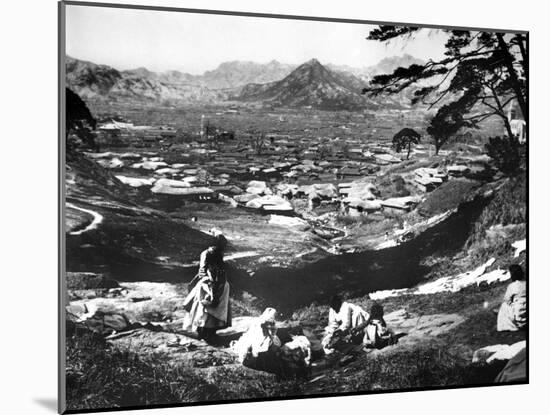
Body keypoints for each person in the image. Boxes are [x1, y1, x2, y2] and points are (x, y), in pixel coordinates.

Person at [183, 232, 231, 342]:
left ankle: (212, 332)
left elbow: (220, 268)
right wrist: (209, 283)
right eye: (220, 245)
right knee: (204, 309)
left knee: (217, 308)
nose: (221, 248)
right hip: (207, 284)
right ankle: (202, 333)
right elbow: (202, 270)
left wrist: (220, 281)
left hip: (220, 284)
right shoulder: (206, 253)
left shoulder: (219, 254)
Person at [232, 308, 283, 374]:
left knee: (272, 348)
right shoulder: (258, 324)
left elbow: (272, 334)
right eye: (268, 322)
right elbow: (253, 337)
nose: (269, 325)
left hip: (265, 341)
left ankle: (259, 362)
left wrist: (271, 336)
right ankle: (248, 362)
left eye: (271, 323)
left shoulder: (273, 327)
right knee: (251, 351)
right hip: (254, 340)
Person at [497, 264, 527, 332]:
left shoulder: (512, 286)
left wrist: (512, 304)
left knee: (504, 305)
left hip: (519, 313)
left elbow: (507, 299)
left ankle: (508, 326)